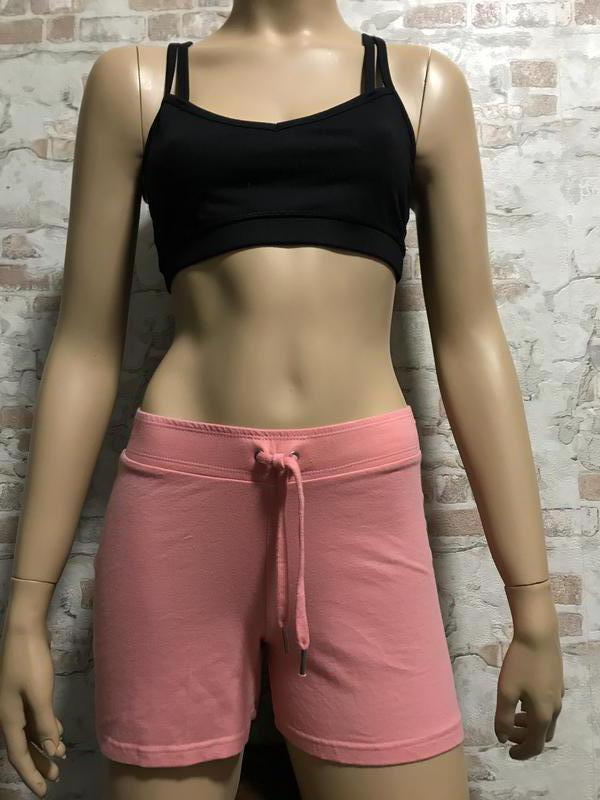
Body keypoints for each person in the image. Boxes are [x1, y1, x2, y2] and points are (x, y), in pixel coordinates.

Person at [0, 1, 564, 798]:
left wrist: (531, 603)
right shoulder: (137, 82)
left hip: (361, 504)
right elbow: (86, 348)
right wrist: (26, 609)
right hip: (181, 507)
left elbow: (470, 339)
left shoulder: (421, 83)